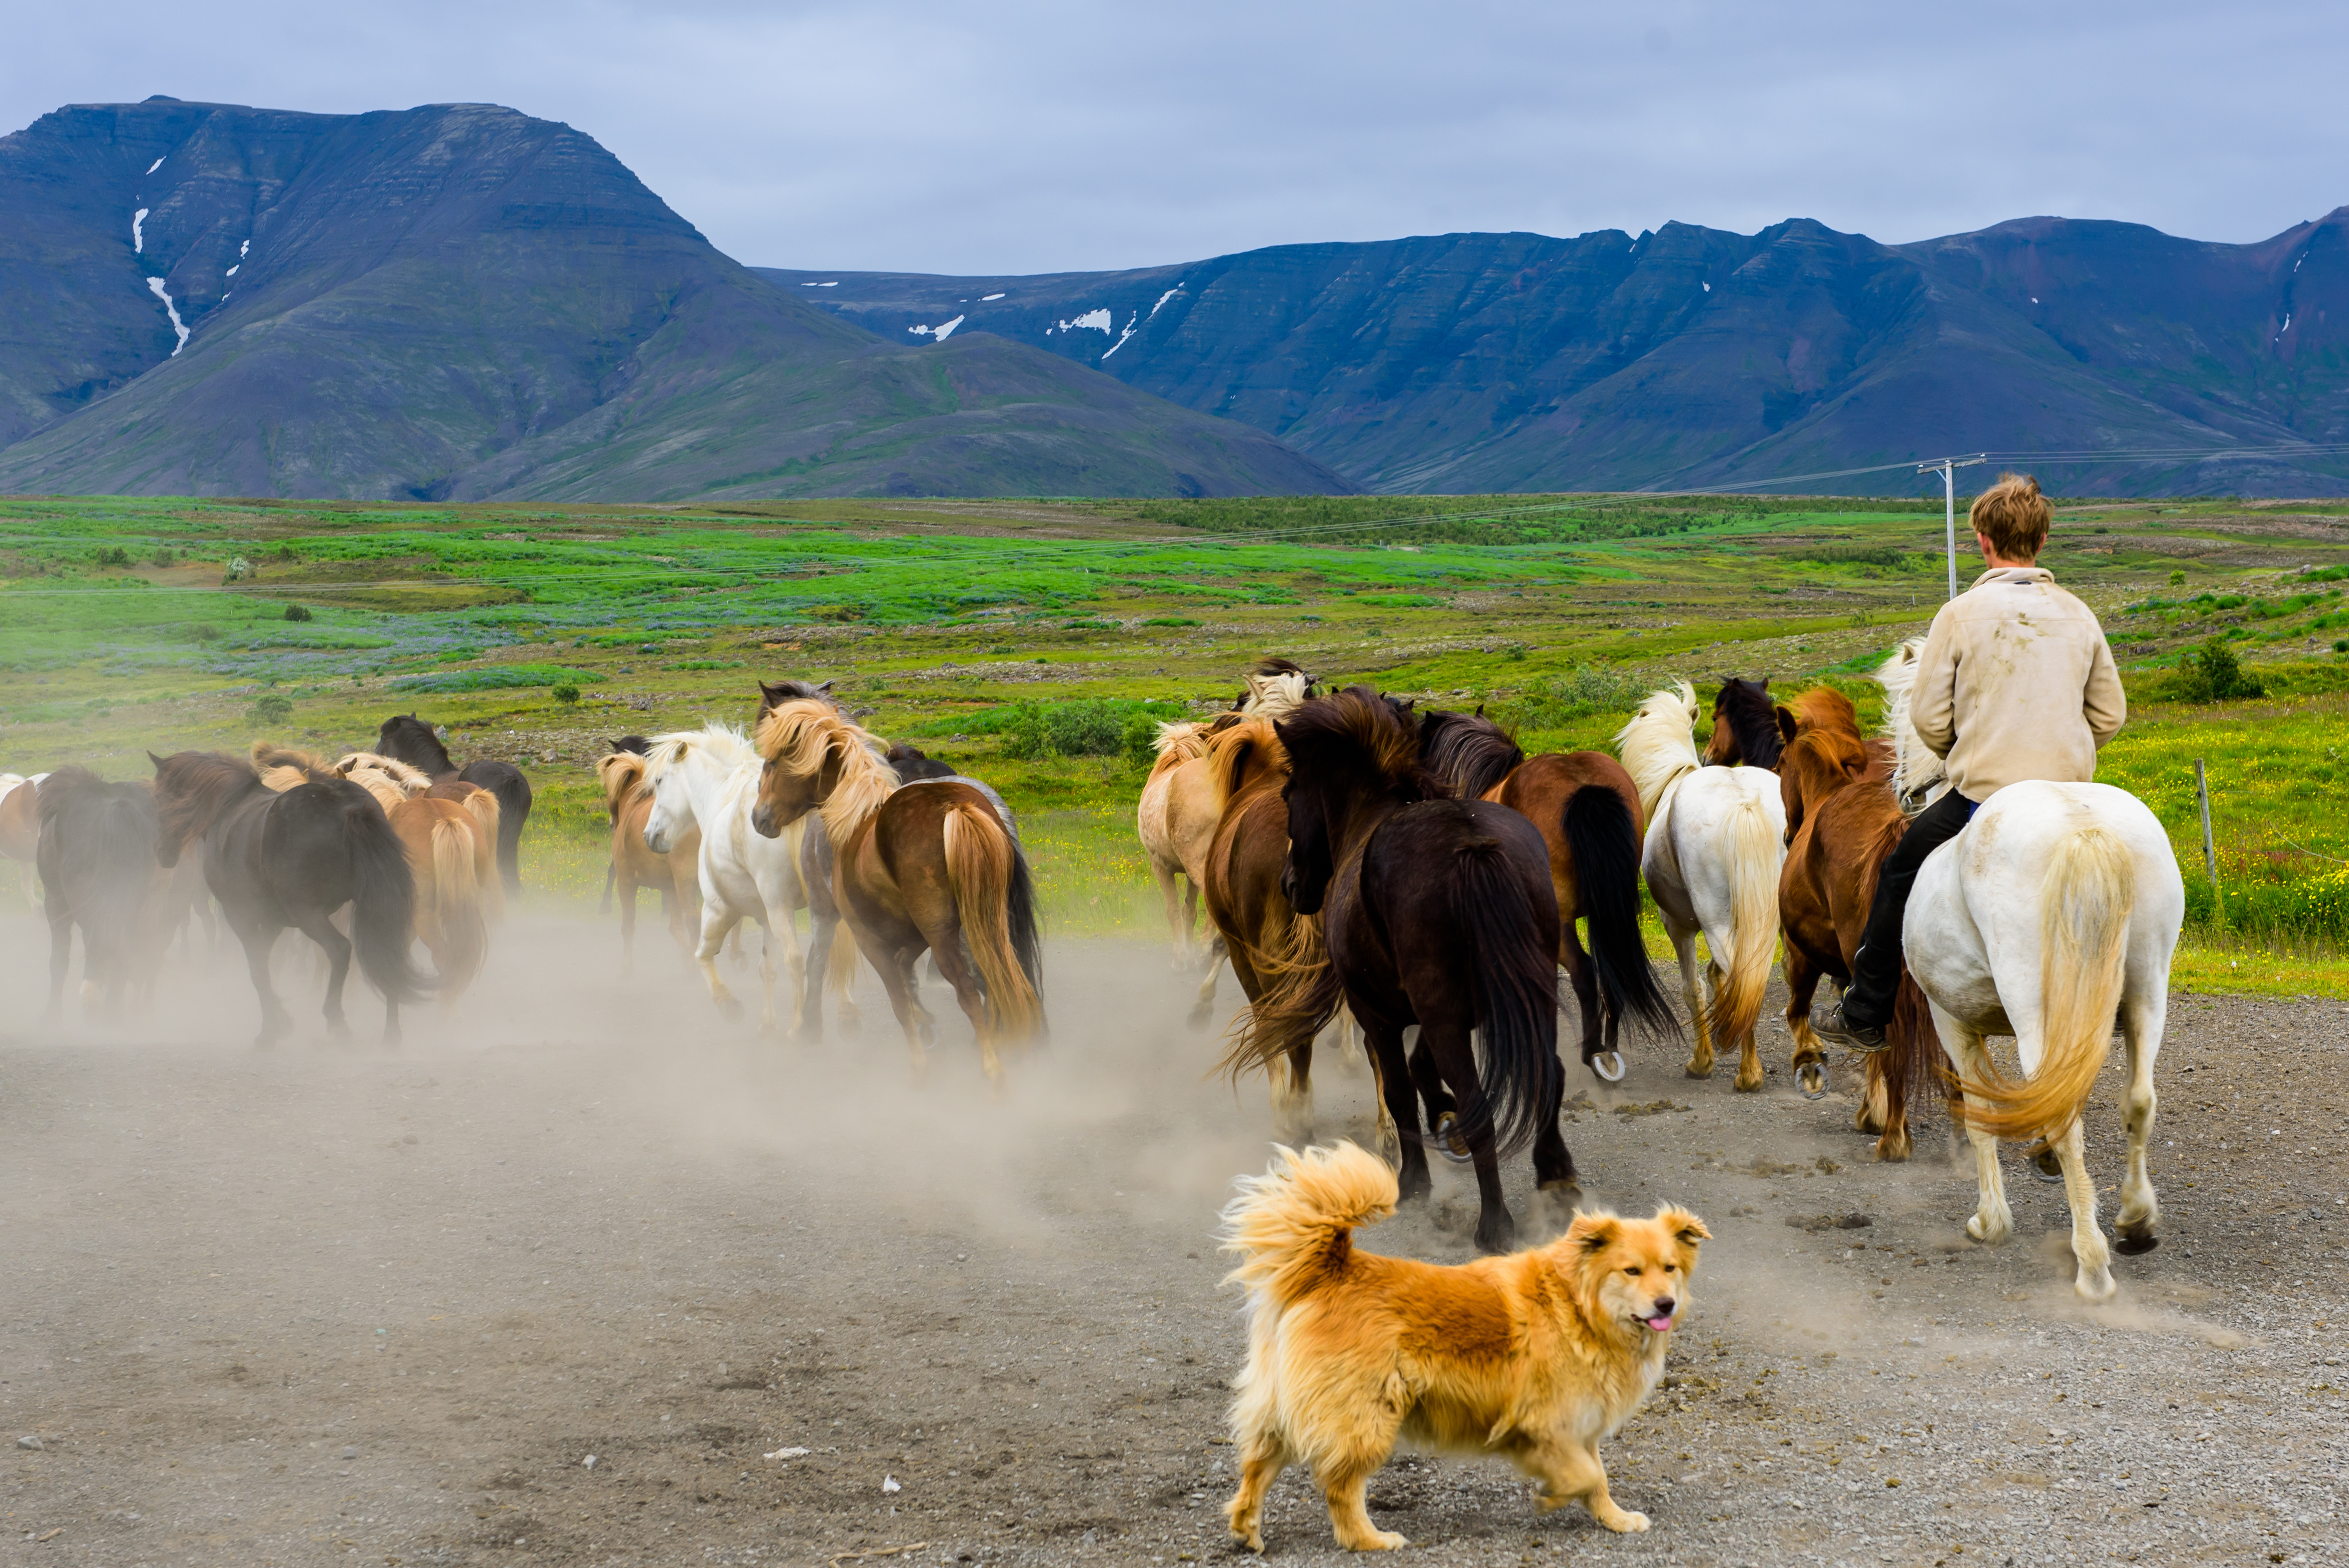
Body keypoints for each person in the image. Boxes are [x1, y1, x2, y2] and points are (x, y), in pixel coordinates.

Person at [1810, 473, 2126, 1051]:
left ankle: (1867, 1008)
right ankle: (2126, 994)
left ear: (1982, 539)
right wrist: (2062, 749)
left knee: (1902, 865)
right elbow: (2109, 715)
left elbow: (1929, 719)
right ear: (2044, 539)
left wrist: (1970, 749)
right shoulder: (2079, 613)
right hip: (2072, 795)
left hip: (1983, 794)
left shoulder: (1959, 614)